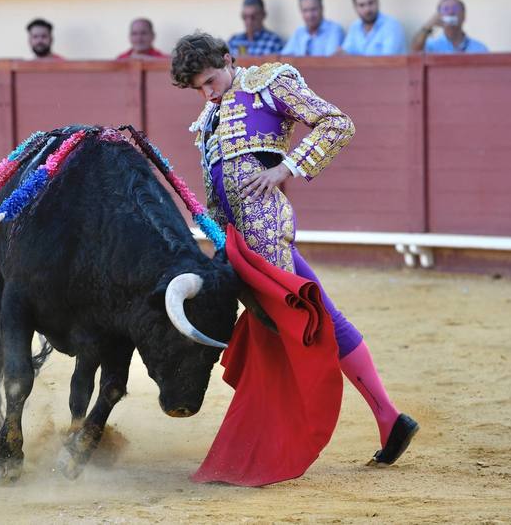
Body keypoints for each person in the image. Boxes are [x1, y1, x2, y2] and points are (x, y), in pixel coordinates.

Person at [171, 32, 418, 471]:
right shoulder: (211, 116)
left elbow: (337, 123)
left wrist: (286, 168)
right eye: (198, 89)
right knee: (298, 324)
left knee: (318, 318)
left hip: (267, 236)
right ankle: (377, 419)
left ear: (228, 59)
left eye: (210, 80)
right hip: (238, 248)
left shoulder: (268, 83)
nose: (207, 94)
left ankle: (386, 417)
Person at [411, 0, 488, 54]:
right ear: (439, 16)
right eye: (446, 9)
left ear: (464, 15)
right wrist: (429, 25)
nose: (451, 12)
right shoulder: (431, 46)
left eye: (455, 9)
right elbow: (415, 50)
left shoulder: (479, 49)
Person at [341, 0, 407, 55]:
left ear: (377, 2)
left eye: (370, 3)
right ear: (355, 7)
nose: (367, 9)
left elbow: (387, 61)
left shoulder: (391, 26)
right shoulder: (354, 27)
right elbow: (345, 55)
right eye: (362, 5)